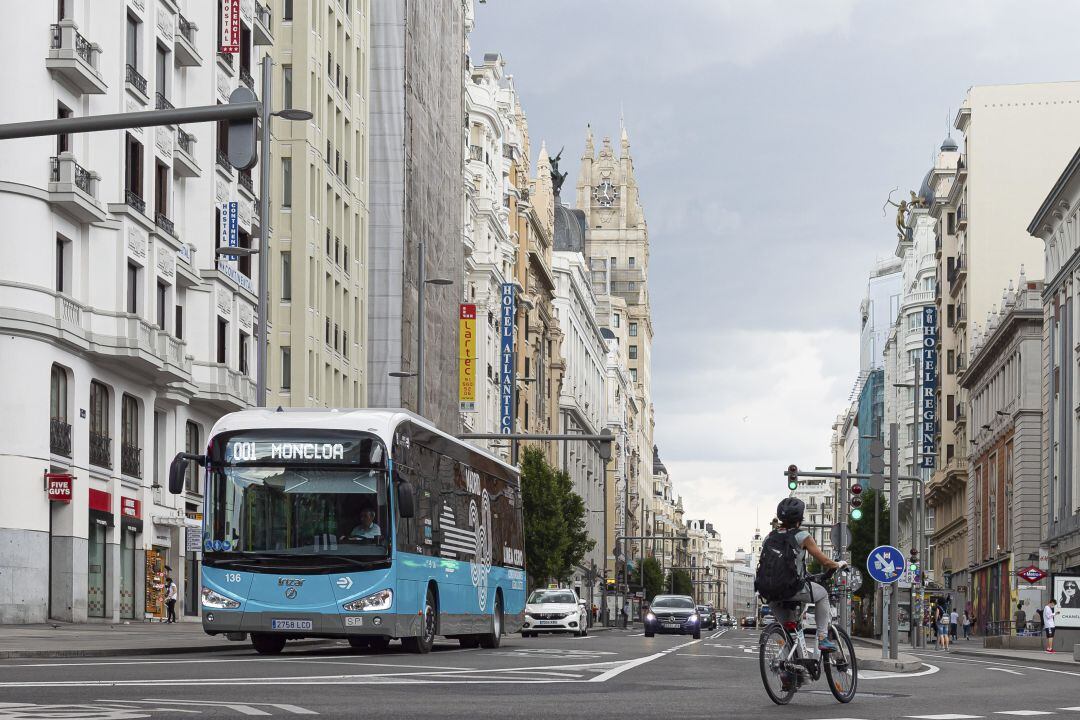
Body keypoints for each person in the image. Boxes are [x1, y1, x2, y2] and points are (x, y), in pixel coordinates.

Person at [767, 498, 844, 654]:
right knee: (822, 594)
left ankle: (787, 669)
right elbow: (824, 561)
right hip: (792, 588)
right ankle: (823, 637)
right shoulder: (803, 536)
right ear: (800, 518)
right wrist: (839, 564)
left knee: (787, 634)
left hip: (770, 591)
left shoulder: (770, 537)